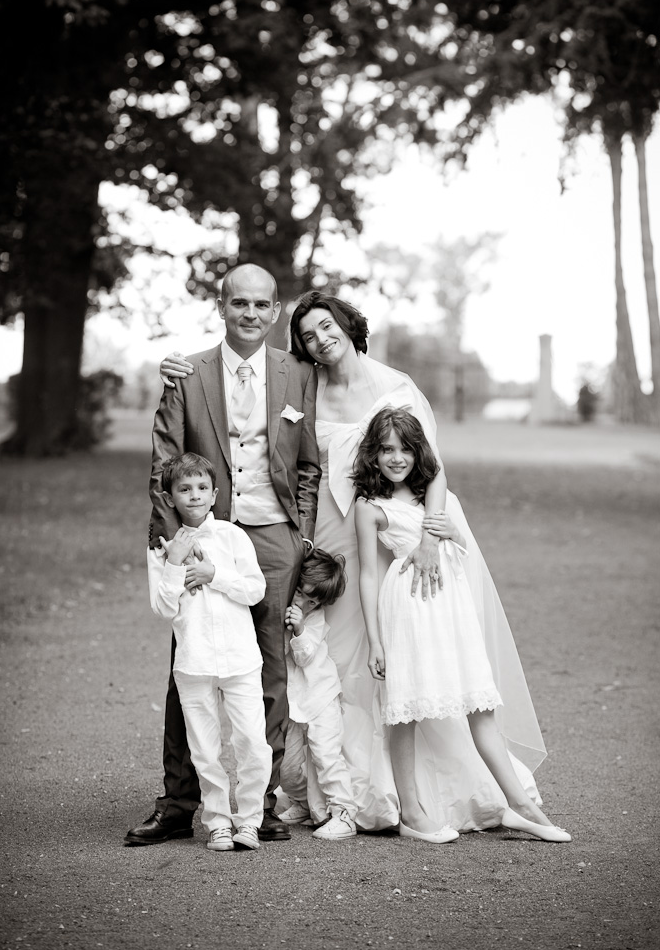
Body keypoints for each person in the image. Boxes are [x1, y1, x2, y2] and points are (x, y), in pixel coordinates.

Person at [157, 290, 549, 835]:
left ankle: (418, 788)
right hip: (330, 539)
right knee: (332, 656)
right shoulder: (304, 384)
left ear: (348, 324)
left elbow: (431, 468)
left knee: (403, 649)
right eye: (309, 335)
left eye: (327, 327)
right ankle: (341, 788)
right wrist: (177, 365)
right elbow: (242, 387)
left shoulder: (395, 386)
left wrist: (432, 536)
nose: (321, 340)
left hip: (395, 536)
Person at [125, 264, 321, 847]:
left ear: (277, 309)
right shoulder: (188, 373)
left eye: (263, 305)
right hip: (204, 528)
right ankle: (180, 800)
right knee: (190, 661)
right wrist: (171, 544)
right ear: (222, 306)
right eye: (240, 303)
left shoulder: (297, 373)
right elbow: (165, 463)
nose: (252, 315)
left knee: (268, 665)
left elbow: (308, 464)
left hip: (274, 533)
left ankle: (254, 802)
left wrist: (301, 534)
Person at [353, 408, 571, 843]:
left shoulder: (435, 493)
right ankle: (412, 813)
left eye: (405, 449)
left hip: (451, 607)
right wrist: (375, 642)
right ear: (373, 456)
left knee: (480, 706)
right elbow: (368, 575)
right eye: (386, 450)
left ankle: (521, 807)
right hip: (409, 607)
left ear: (419, 452)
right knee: (406, 711)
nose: (396, 458)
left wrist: (448, 533)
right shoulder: (370, 507)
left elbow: (453, 522)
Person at [148, 452, 271, 851]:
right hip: (195, 661)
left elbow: (255, 589)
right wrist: (175, 565)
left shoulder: (234, 538)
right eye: (184, 489)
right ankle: (218, 821)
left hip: (239, 658)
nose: (194, 496)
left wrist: (212, 574)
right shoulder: (162, 547)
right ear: (170, 497)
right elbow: (163, 608)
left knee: (252, 741)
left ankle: (249, 819)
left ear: (215, 493)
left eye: (202, 488)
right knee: (204, 748)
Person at [277, 548, 358, 841]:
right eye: (300, 592)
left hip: (321, 696)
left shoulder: (313, 619)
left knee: (326, 756)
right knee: (286, 767)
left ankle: (344, 814)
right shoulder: (281, 605)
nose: (304, 602)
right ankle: (302, 803)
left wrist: (298, 629)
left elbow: (305, 656)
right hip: (294, 701)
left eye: (312, 600)